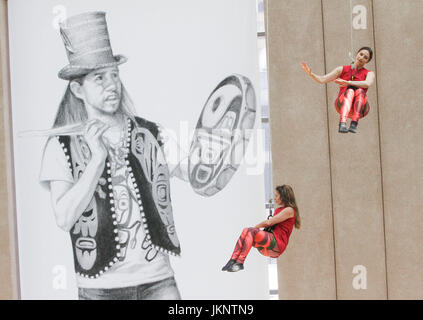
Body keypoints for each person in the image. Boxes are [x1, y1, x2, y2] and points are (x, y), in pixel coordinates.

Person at [39, 12, 182, 300]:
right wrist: (96, 161)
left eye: (114, 75)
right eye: (99, 78)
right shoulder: (60, 146)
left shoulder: (152, 133)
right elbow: (64, 218)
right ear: (78, 89)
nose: (111, 85)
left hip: (159, 281)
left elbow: (199, 174)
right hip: (99, 289)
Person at [222, 185, 300, 272]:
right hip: (268, 246)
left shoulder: (289, 210)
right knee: (245, 230)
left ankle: (240, 262)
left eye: (276, 196)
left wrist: (254, 229)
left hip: (276, 244)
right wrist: (250, 231)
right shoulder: (279, 210)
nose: (274, 198)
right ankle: (232, 260)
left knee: (249, 231)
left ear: (284, 196)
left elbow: (269, 223)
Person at [301, 47, 375, 133]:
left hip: (360, 108)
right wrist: (311, 74)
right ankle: (342, 123)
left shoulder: (369, 73)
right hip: (342, 104)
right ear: (356, 54)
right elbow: (322, 80)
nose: (361, 58)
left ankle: (354, 123)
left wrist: (348, 82)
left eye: (365, 57)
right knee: (350, 91)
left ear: (367, 61)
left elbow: (367, 84)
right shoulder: (342, 69)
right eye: (361, 54)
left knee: (359, 91)